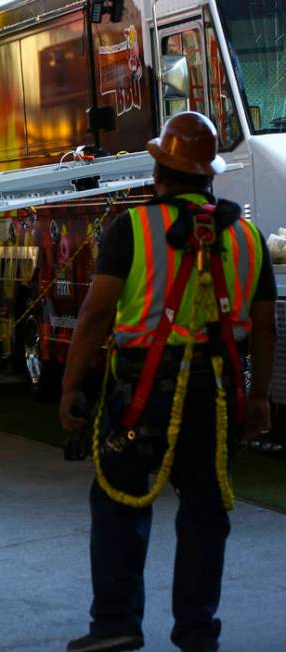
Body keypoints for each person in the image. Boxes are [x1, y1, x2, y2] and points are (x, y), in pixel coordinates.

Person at [59, 112, 276, 652]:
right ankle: (197, 631)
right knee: (206, 513)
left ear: (159, 171)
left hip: (140, 396)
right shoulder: (247, 236)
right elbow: (266, 326)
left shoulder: (131, 229)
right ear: (209, 176)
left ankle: (116, 624)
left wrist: (69, 390)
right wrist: (259, 397)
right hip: (218, 396)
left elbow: (94, 317)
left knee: (118, 504)